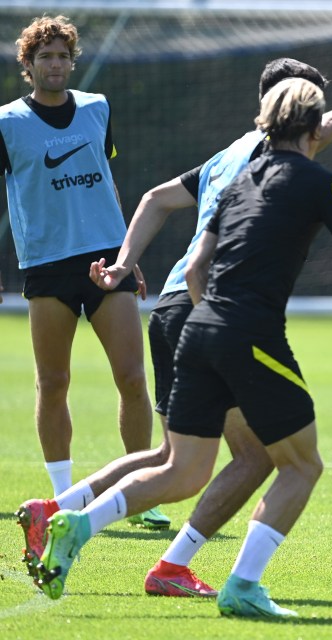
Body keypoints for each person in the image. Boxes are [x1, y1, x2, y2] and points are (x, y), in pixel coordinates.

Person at [35, 77, 332, 619]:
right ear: (313, 128)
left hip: (197, 325)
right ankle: (242, 584)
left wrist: (213, 320)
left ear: (267, 124)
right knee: (302, 465)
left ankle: (77, 521)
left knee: (183, 470)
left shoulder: (238, 182)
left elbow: (194, 267)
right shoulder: (323, 184)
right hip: (249, 332)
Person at [0, 16, 168, 528]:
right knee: (53, 382)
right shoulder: (6, 122)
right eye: (44, 56)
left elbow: (108, 183)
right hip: (46, 266)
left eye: (61, 55)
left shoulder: (97, 108)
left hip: (105, 262)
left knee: (134, 378)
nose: (55, 64)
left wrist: (127, 256)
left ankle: (142, 495)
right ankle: (63, 496)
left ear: (72, 61)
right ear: (27, 66)